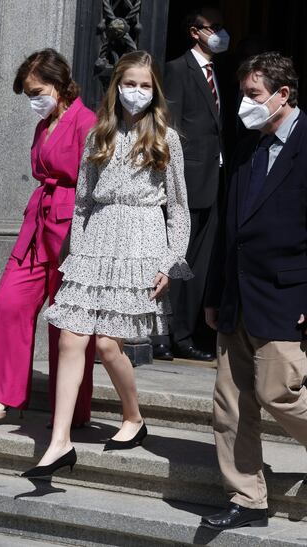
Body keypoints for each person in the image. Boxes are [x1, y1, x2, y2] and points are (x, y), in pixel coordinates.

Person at [21, 50, 192, 478]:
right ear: (116, 86)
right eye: (129, 84)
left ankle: (133, 416)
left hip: (140, 241)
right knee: (71, 339)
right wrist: (74, 258)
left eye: (145, 85)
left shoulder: (166, 139)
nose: (137, 92)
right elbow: (80, 204)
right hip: (95, 240)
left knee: (107, 344)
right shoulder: (98, 135)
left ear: (155, 92)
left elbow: (181, 208)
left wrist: (171, 261)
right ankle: (60, 442)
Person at [202, 52, 307, 530]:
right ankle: (247, 498)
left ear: (283, 95)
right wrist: (212, 293)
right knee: (231, 403)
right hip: (235, 299)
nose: (245, 104)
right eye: (243, 93)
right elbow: (228, 227)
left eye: (253, 95)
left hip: (286, 296)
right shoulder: (246, 146)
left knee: (278, 392)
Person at [0, 48, 96, 426]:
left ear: (60, 85)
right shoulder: (45, 123)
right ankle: (3, 398)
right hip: (36, 224)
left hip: (70, 226)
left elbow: (94, 182)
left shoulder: (87, 121)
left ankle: (71, 410)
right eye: (28, 94)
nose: (33, 100)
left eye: (37, 91)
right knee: (8, 305)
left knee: (66, 321)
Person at [153, 6, 228, 361]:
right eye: (211, 28)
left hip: (214, 180)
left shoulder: (218, 73)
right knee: (177, 260)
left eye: (220, 27)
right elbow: (173, 129)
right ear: (194, 32)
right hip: (188, 181)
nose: (218, 33)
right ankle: (166, 334)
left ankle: (184, 333)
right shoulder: (177, 70)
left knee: (197, 265)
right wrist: (176, 180)